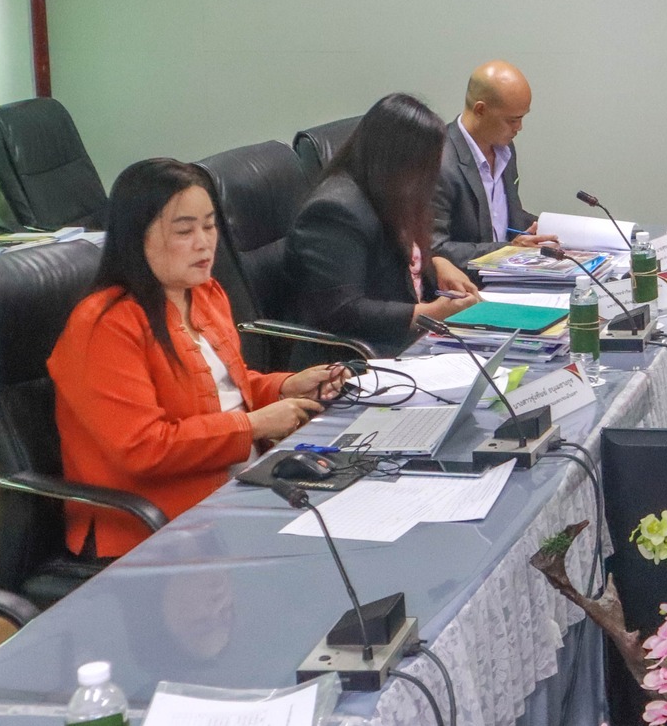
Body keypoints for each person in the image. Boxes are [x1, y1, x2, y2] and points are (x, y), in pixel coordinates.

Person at [51, 159, 349, 557]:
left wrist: (285, 387)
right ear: (136, 237)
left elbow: (222, 389)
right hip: (158, 524)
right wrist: (254, 425)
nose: (204, 242)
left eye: (209, 226)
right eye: (184, 230)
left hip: (242, 488)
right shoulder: (104, 325)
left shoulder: (205, 293)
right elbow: (143, 448)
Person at [286, 93, 480, 358]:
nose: (431, 175)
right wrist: (430, 313)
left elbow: (400, 259)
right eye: (424, 164)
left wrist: (437, 263)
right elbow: (341, 311)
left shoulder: (390, 193)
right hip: (358, 358)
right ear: (397, 160)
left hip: (411, 343)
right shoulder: (333, 212)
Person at [433, 60, 558, 270]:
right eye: (512, 120)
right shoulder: (438, 162)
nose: (519, 127)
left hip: (508, 276)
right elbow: (435, 250)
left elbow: (501, 219)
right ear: (480, 110)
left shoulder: (505, 149)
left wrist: (551, 229)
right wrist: (508, 250)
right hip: (468, 283)